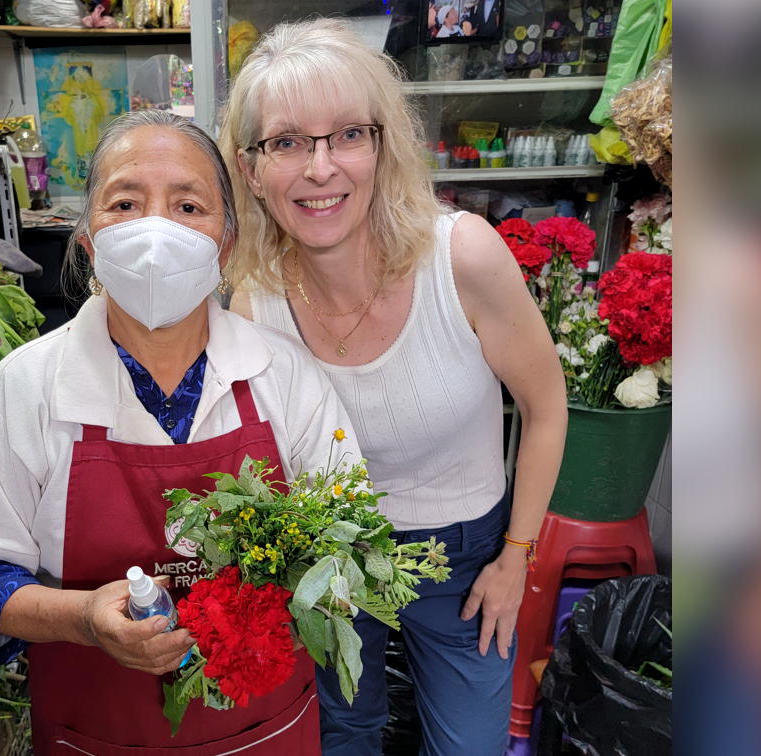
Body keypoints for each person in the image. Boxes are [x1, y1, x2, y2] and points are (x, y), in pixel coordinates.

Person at [0, 109, 362, 755]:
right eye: (126, 203)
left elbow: (348, 538)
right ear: (88, 245)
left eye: (188, 206)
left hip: (263, 726)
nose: (157, 230)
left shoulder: (287, 376)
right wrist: (83, 619)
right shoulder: (28, 385)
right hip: (94, 730)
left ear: (225, 245)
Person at [220, 19, 567, 756]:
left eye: (347, 134)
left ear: (383, 145)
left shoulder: (461, 258)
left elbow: (546, 407)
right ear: (250, 170)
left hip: (466, 553)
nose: (320, 169)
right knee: (345, 732)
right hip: (331, 554)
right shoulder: (254, 300)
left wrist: (516, 561)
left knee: (469, 747)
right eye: (286, 142)